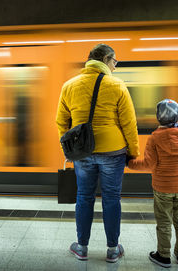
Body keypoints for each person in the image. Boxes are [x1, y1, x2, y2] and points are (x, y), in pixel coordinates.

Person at [56, 44, 140, 263]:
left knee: (84, 196)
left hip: (83, 152)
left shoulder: (69, 86)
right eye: (115, 62)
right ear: (106, 59)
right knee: (112, 198)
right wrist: (133, 152)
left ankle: (81, 247)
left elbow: (61, 122)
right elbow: (129, 124)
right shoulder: (117, 85)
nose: (115, 66)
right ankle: (113, 249)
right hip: (113, 152)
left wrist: (70, 148)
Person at [127, 99, 178, 268]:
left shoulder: (155, 138)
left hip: (162, 188)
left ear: (158, 117)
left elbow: (148, 164)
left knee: (164, 222)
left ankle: (164, 256)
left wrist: (129, 163)